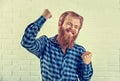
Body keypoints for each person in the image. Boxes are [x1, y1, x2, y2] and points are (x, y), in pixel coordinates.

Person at [21, 9, 93, 81]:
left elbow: (85, 79)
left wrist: (87, 64)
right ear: (60, 24)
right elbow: (26, 42)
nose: (72, 28)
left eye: (76, 27)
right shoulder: (46, 43)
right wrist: (43, 18)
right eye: (69, 24)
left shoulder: (80, 50)